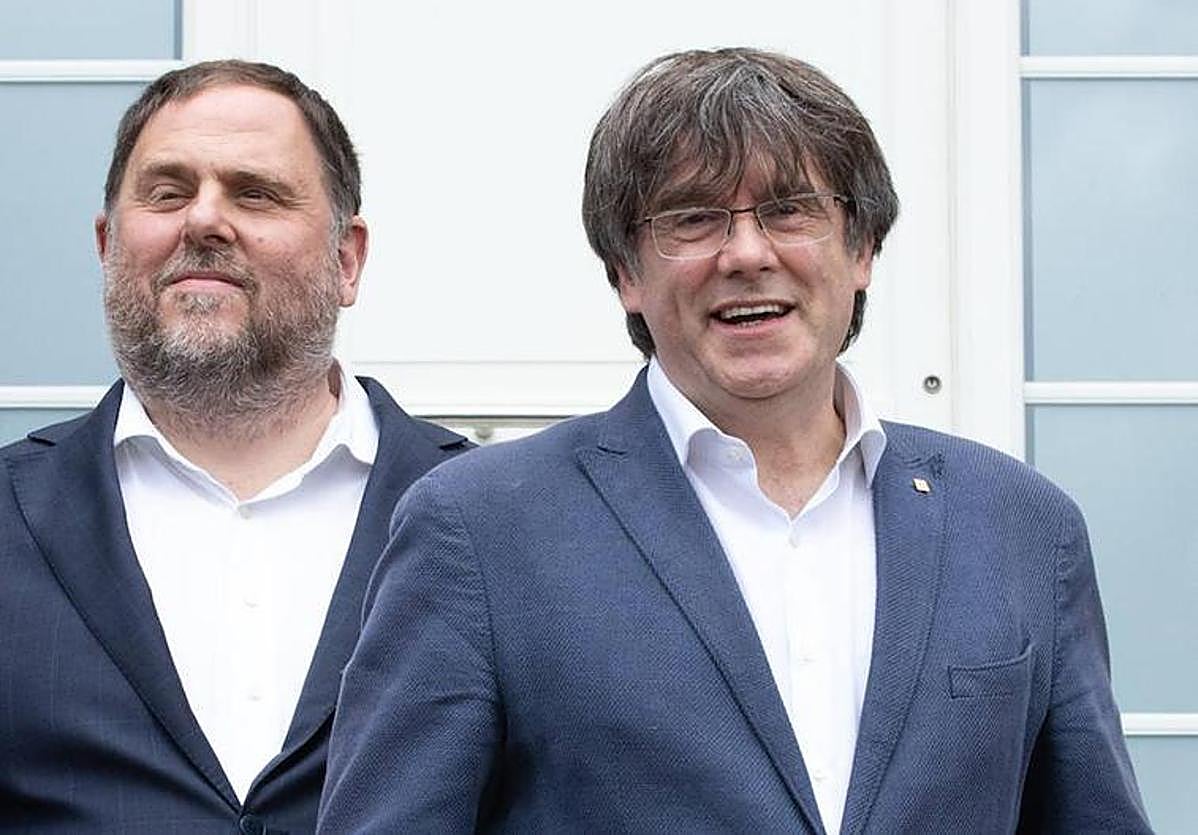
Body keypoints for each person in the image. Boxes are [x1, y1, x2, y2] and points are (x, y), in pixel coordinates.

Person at [319, 48, 1151, 833]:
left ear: (862, 247)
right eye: (693, 218)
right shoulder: (478, 529)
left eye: (790, 209)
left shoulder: (1023, 527)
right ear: (625, 273)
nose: (747, 253)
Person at [0, 60, 471, 833]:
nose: (204, 220)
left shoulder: (499, 520)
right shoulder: (11, 512)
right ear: (106, 245)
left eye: (255, 193)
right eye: (167, 192)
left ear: (346, 259)